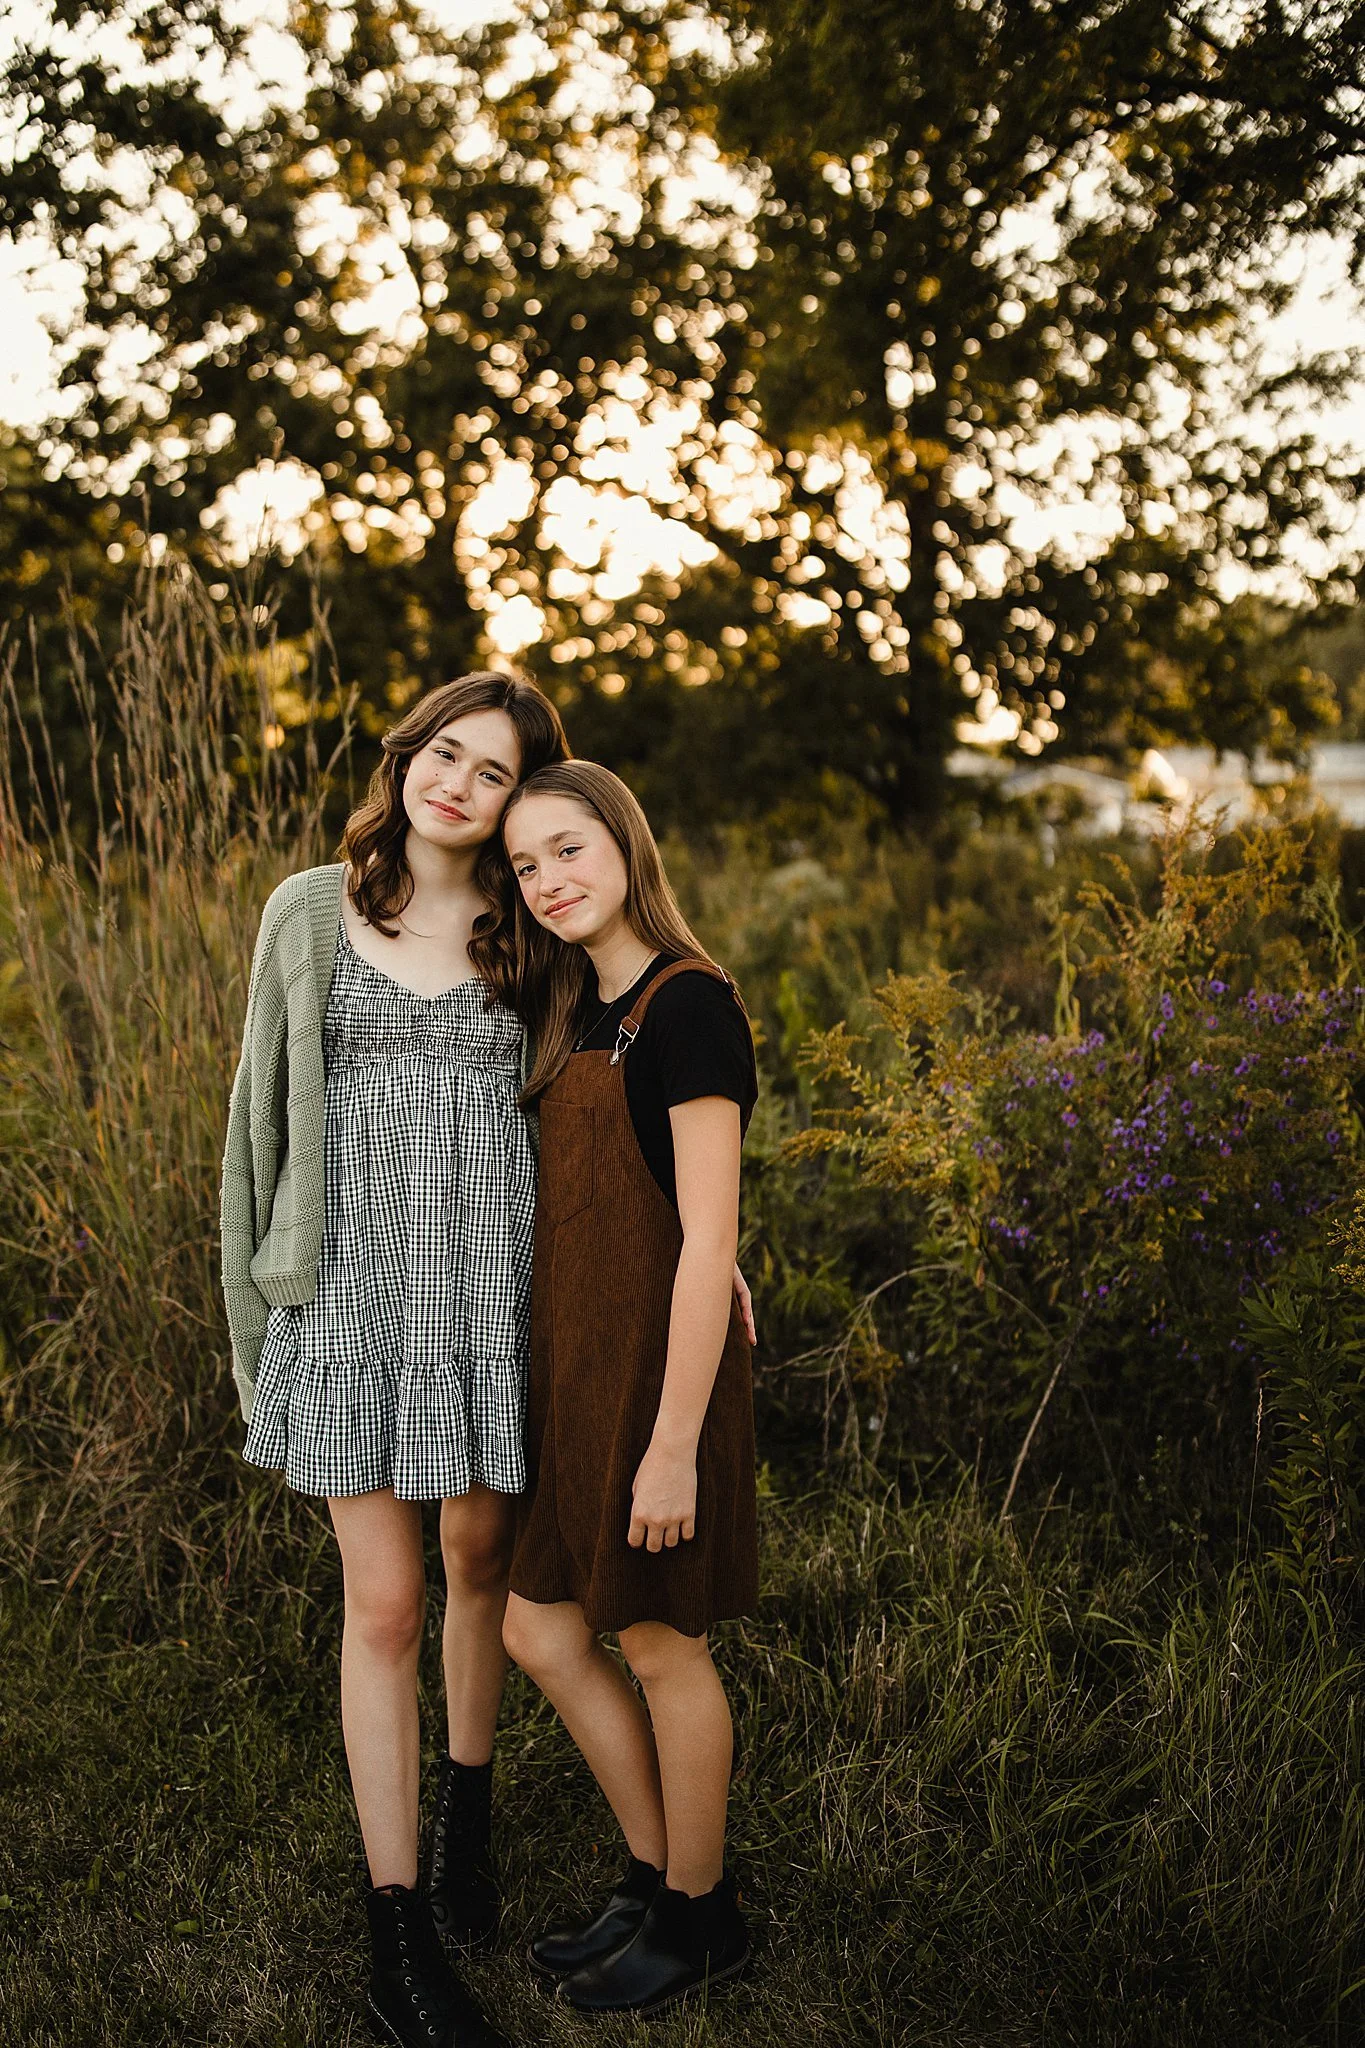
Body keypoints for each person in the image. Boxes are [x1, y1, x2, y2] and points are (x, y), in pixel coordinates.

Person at [220, 672, 567, 2048]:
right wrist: (259, 1326)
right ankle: (397, 1932)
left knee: (481, 1562)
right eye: (443, 753)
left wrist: (700, 1241)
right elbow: (255, 1132)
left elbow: (603, 1108)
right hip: (353, 1306)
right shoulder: (309, 912)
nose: (457, 785)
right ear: (405, 755)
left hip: (490, 1301)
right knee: (383, 1608)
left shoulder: (529, 921)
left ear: (516, 800)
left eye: (491, 772)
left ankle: (468, 1820)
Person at [499, 759, 759, 2018]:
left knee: (661, 1642)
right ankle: (655, 1873)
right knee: (538, 1626)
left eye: (567, 848)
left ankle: (703, 1917)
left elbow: (707, 1239)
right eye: (525, 863)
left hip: (662, 1388)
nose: (548, 880)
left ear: (623, 840)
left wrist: (672, 1444)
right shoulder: (579, 1011)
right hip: (576, 1379)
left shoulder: (687, 1005)